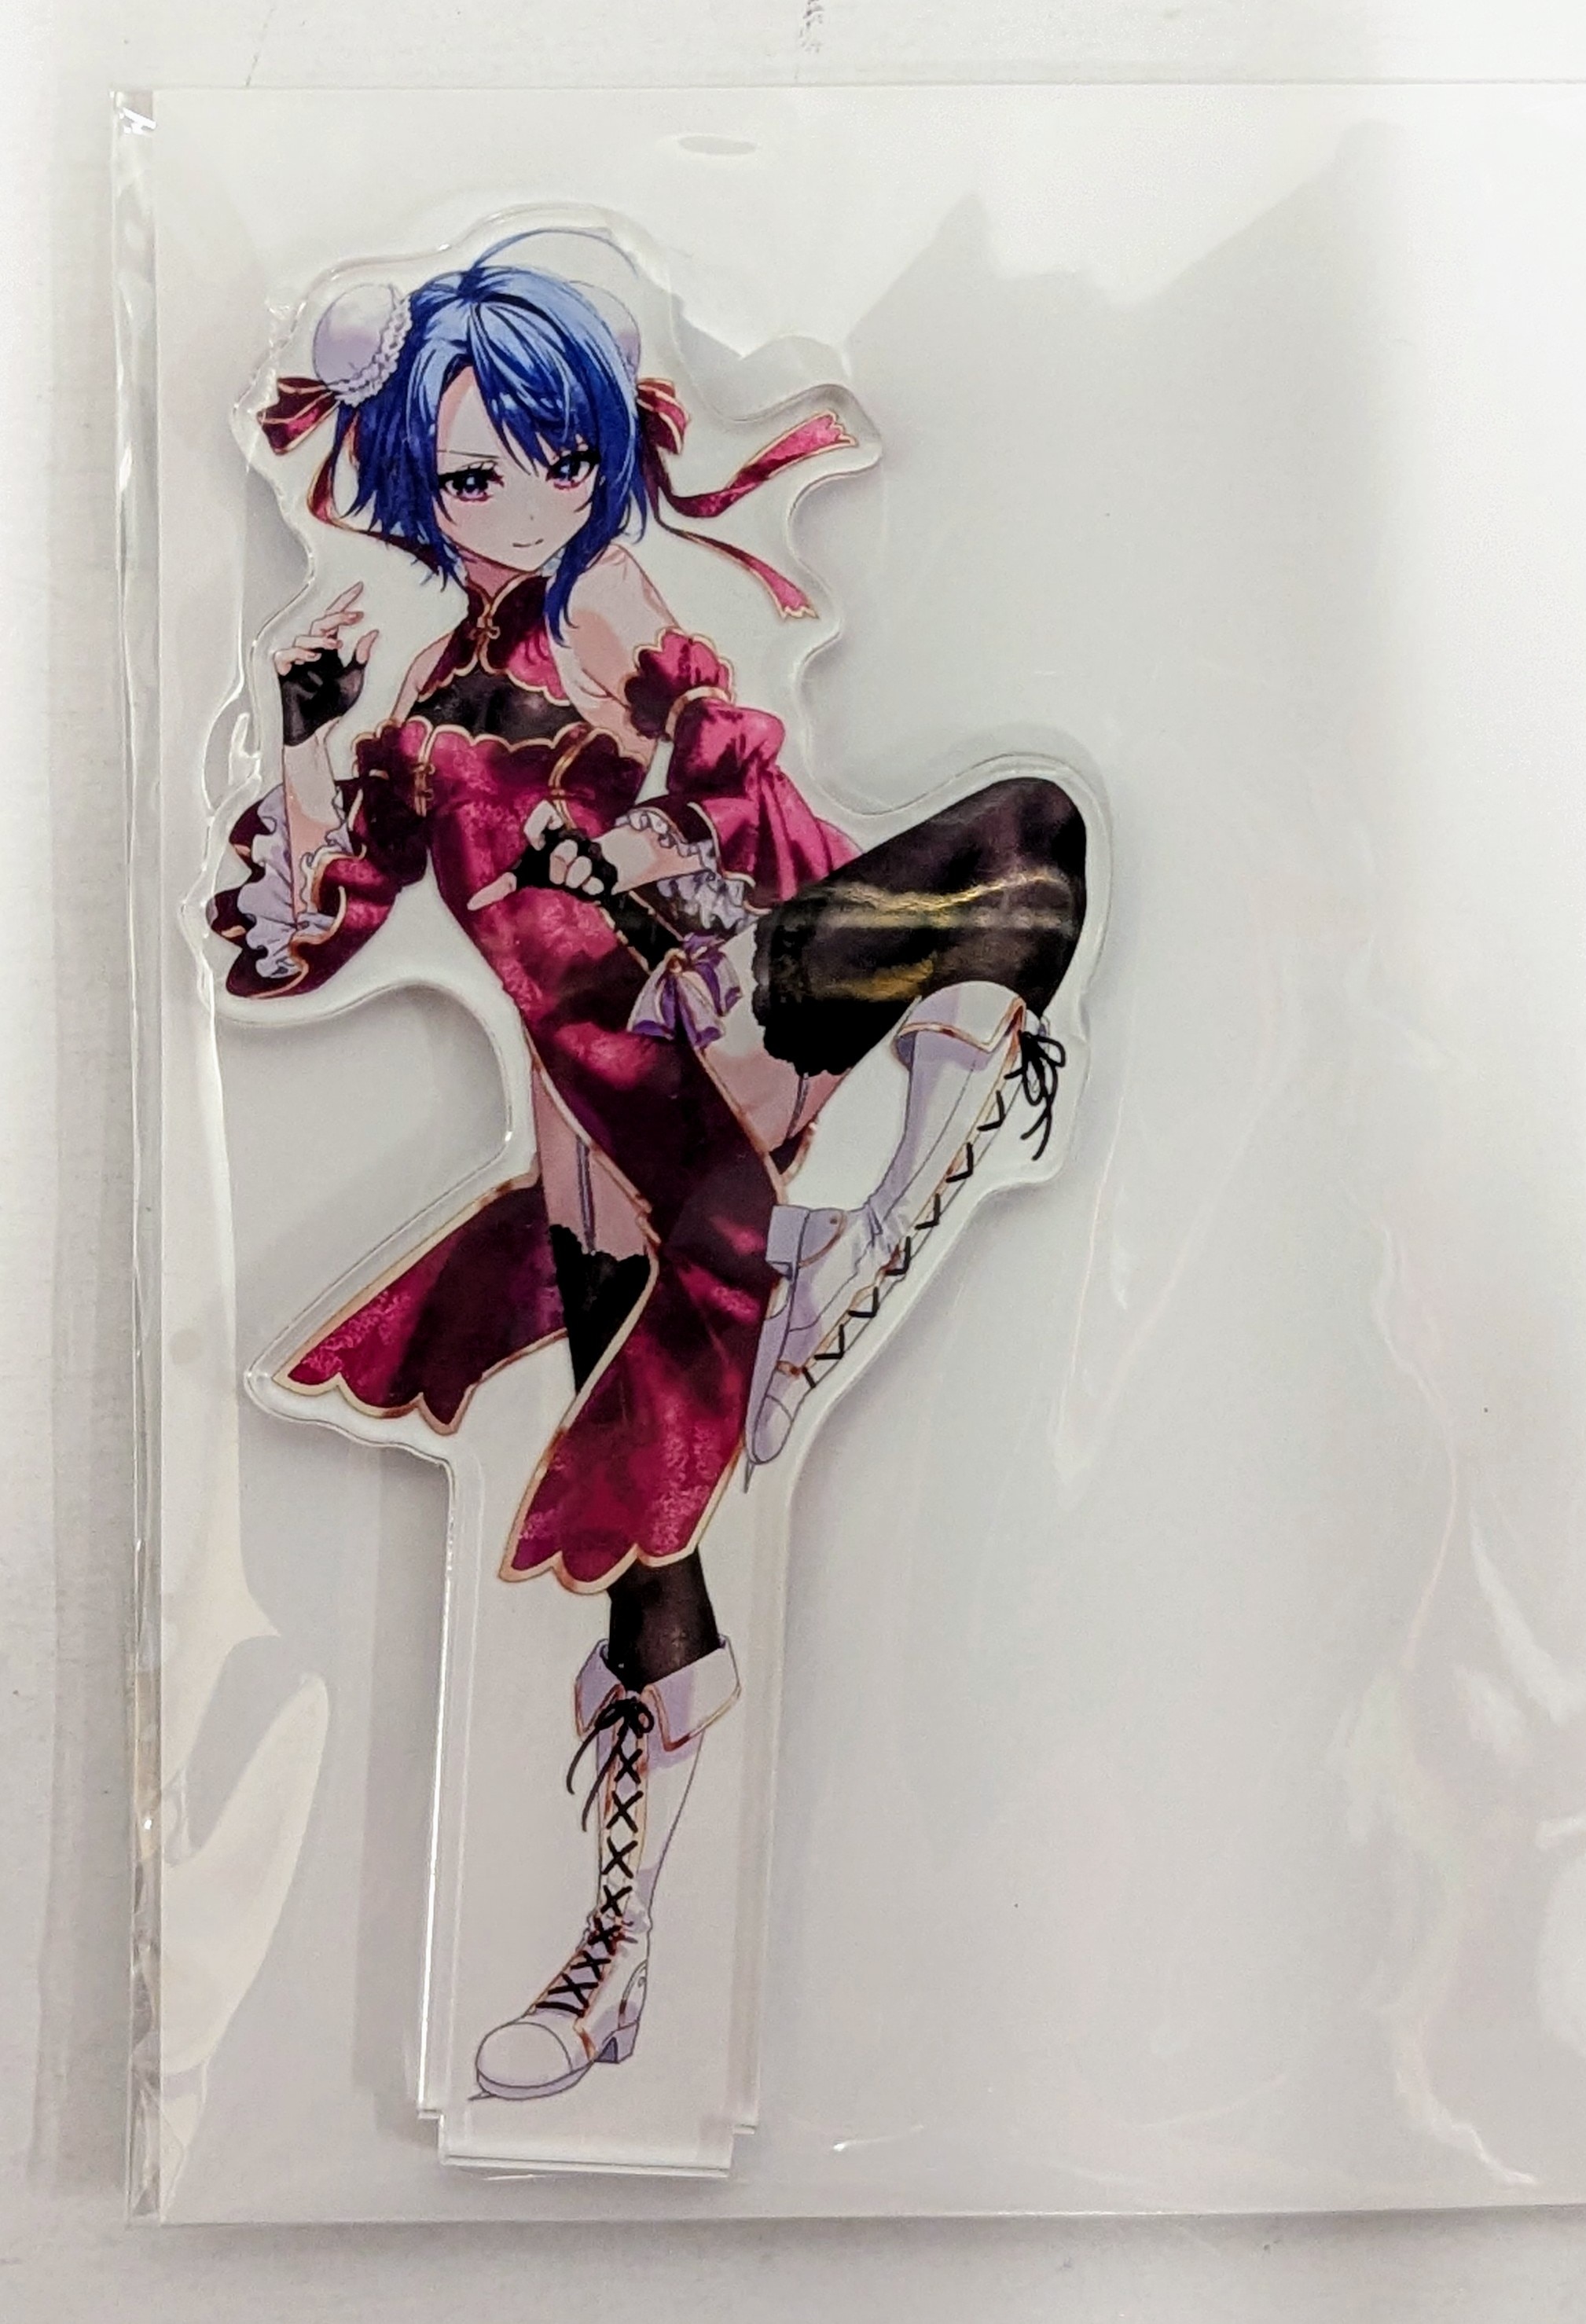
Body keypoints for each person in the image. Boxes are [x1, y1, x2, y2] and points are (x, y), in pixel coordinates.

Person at [213, 242, 1089, 2103]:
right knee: (655, 1598)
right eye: (472, 473)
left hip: (738, 1052)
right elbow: (293, 944)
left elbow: (752, 837)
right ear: (413, 480)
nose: (523, 501)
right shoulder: (426, 713)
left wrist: (682, 860)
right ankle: (614, 1974)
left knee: (1024, 845)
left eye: (555, 454)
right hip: (614, 1183)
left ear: (600, 446)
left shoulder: (608, 613)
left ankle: (855, 1244)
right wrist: (301, 734)